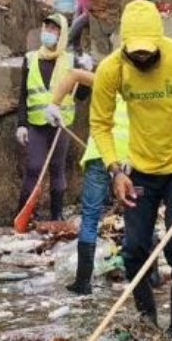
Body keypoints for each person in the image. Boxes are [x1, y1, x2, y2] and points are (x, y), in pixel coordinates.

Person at [89, 0, 172, 341]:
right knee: (134, 250)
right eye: (135, 53)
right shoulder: (112, 69)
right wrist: (115, 170)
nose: (142, 59)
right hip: (139, 169)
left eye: (148, 52)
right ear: (123, 47)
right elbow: (99, 123)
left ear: (160, 40)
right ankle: (148, 320)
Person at [46, 68, 132, 295]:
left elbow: (72, 73)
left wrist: (54, 104)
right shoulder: (143, 89)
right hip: (130, 159)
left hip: (100, 155)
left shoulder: (106, 81)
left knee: (90, 217)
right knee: (137, 215)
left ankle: (83, 283)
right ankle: (148, 276)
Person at [15, 14, 86, 221]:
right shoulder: (30, 59)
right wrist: (21, 125)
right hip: (36, 123)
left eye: (54, 30)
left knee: (57, 168)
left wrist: (85, 72)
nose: (49, 33)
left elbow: (80, 96)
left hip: (60, 125)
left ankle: (56, 216)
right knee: (34, 166)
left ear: (62, 34)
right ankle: (24, 214)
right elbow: (23, 94)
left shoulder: (71, 61)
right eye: (47, 28)